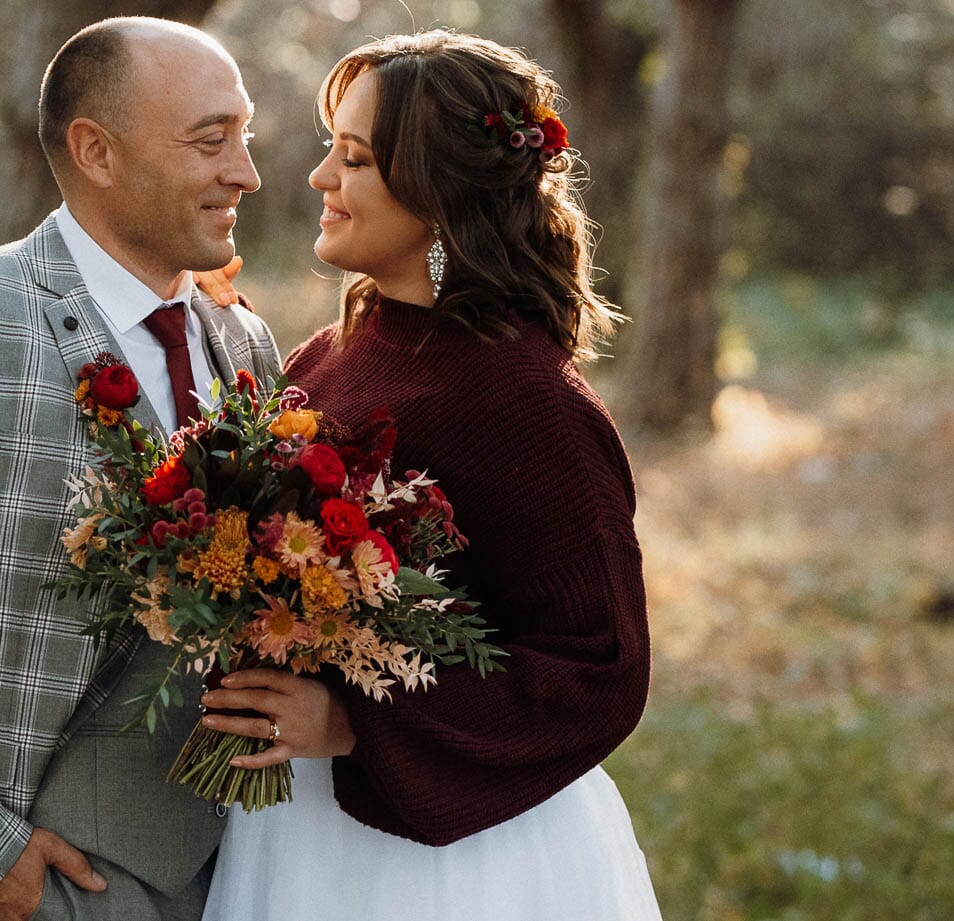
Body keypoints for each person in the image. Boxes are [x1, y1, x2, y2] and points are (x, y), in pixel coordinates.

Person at [197, 30, 662, 921]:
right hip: (294, 832)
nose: (319, 179)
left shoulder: (528, 401)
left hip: (450, 863)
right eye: (331, 150)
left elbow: (600, 666)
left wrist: (351, 723)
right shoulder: (331, 354)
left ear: (438, 192)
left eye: (356, 158)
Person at [0, 17, 280, 921]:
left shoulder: (245, 340)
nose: (245, 171)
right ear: (96, 151)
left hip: (241, 870)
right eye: (212, 140)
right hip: (40, 872)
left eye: (244, 135)